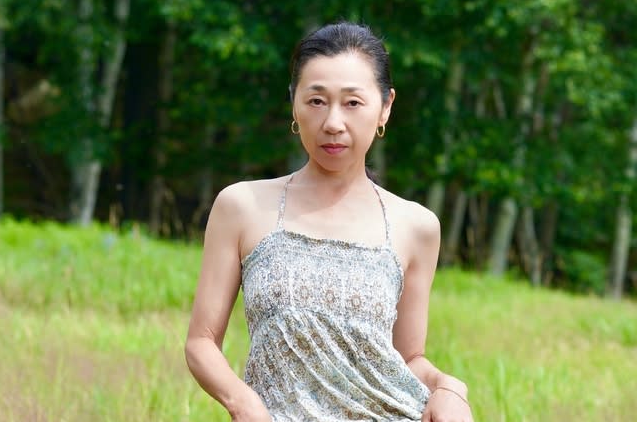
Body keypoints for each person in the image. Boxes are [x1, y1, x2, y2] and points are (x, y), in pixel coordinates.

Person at [185, 21, 474, 422]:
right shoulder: (242, 206)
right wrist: (244, 403)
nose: (333, 123)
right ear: (294, 103)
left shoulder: (416, 226)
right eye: (317, 101)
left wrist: (450, 388)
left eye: (352, 103)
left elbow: (409, 358)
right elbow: (200, 343)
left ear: (385, 107)